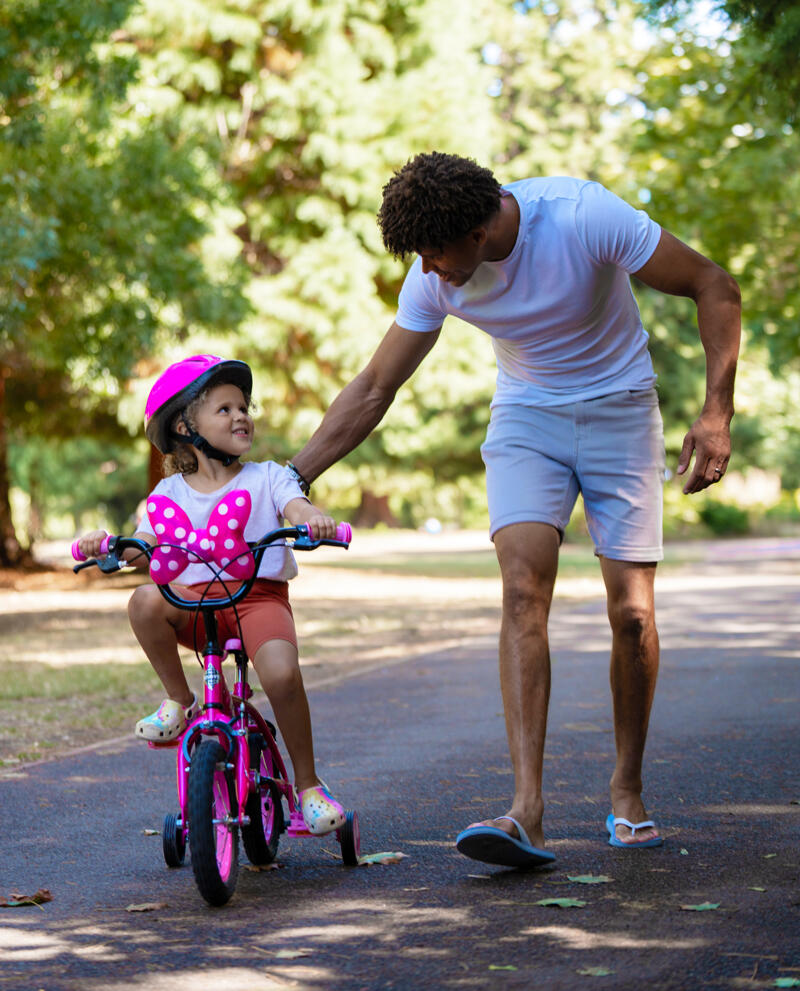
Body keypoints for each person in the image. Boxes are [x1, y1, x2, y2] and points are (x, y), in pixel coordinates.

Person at [284, 151, 741, 866]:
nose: (432, 272)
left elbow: (714, 284)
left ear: (481, 224)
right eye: (423, 260)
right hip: (528, 416)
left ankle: (627, 785)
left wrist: (717, 413)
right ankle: (526, 809)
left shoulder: (582, 216)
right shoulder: (433, 277)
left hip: (621, 411)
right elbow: (375, 385)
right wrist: (290, 476)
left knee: (633, 614)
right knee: (524, 589)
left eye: (438, 255)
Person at [76, 354, 346, 836]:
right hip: (195, 605)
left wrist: (313, 518)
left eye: (245, 407)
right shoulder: (169, 494)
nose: (241, 415)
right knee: (142, 599)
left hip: (258, 600)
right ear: (185, 425)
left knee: (282, 676)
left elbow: (296, 503)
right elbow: (146, 548)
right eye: (225, 409)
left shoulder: (267, 477)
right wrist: (109, 546)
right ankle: (179, 702)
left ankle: (308, 787)